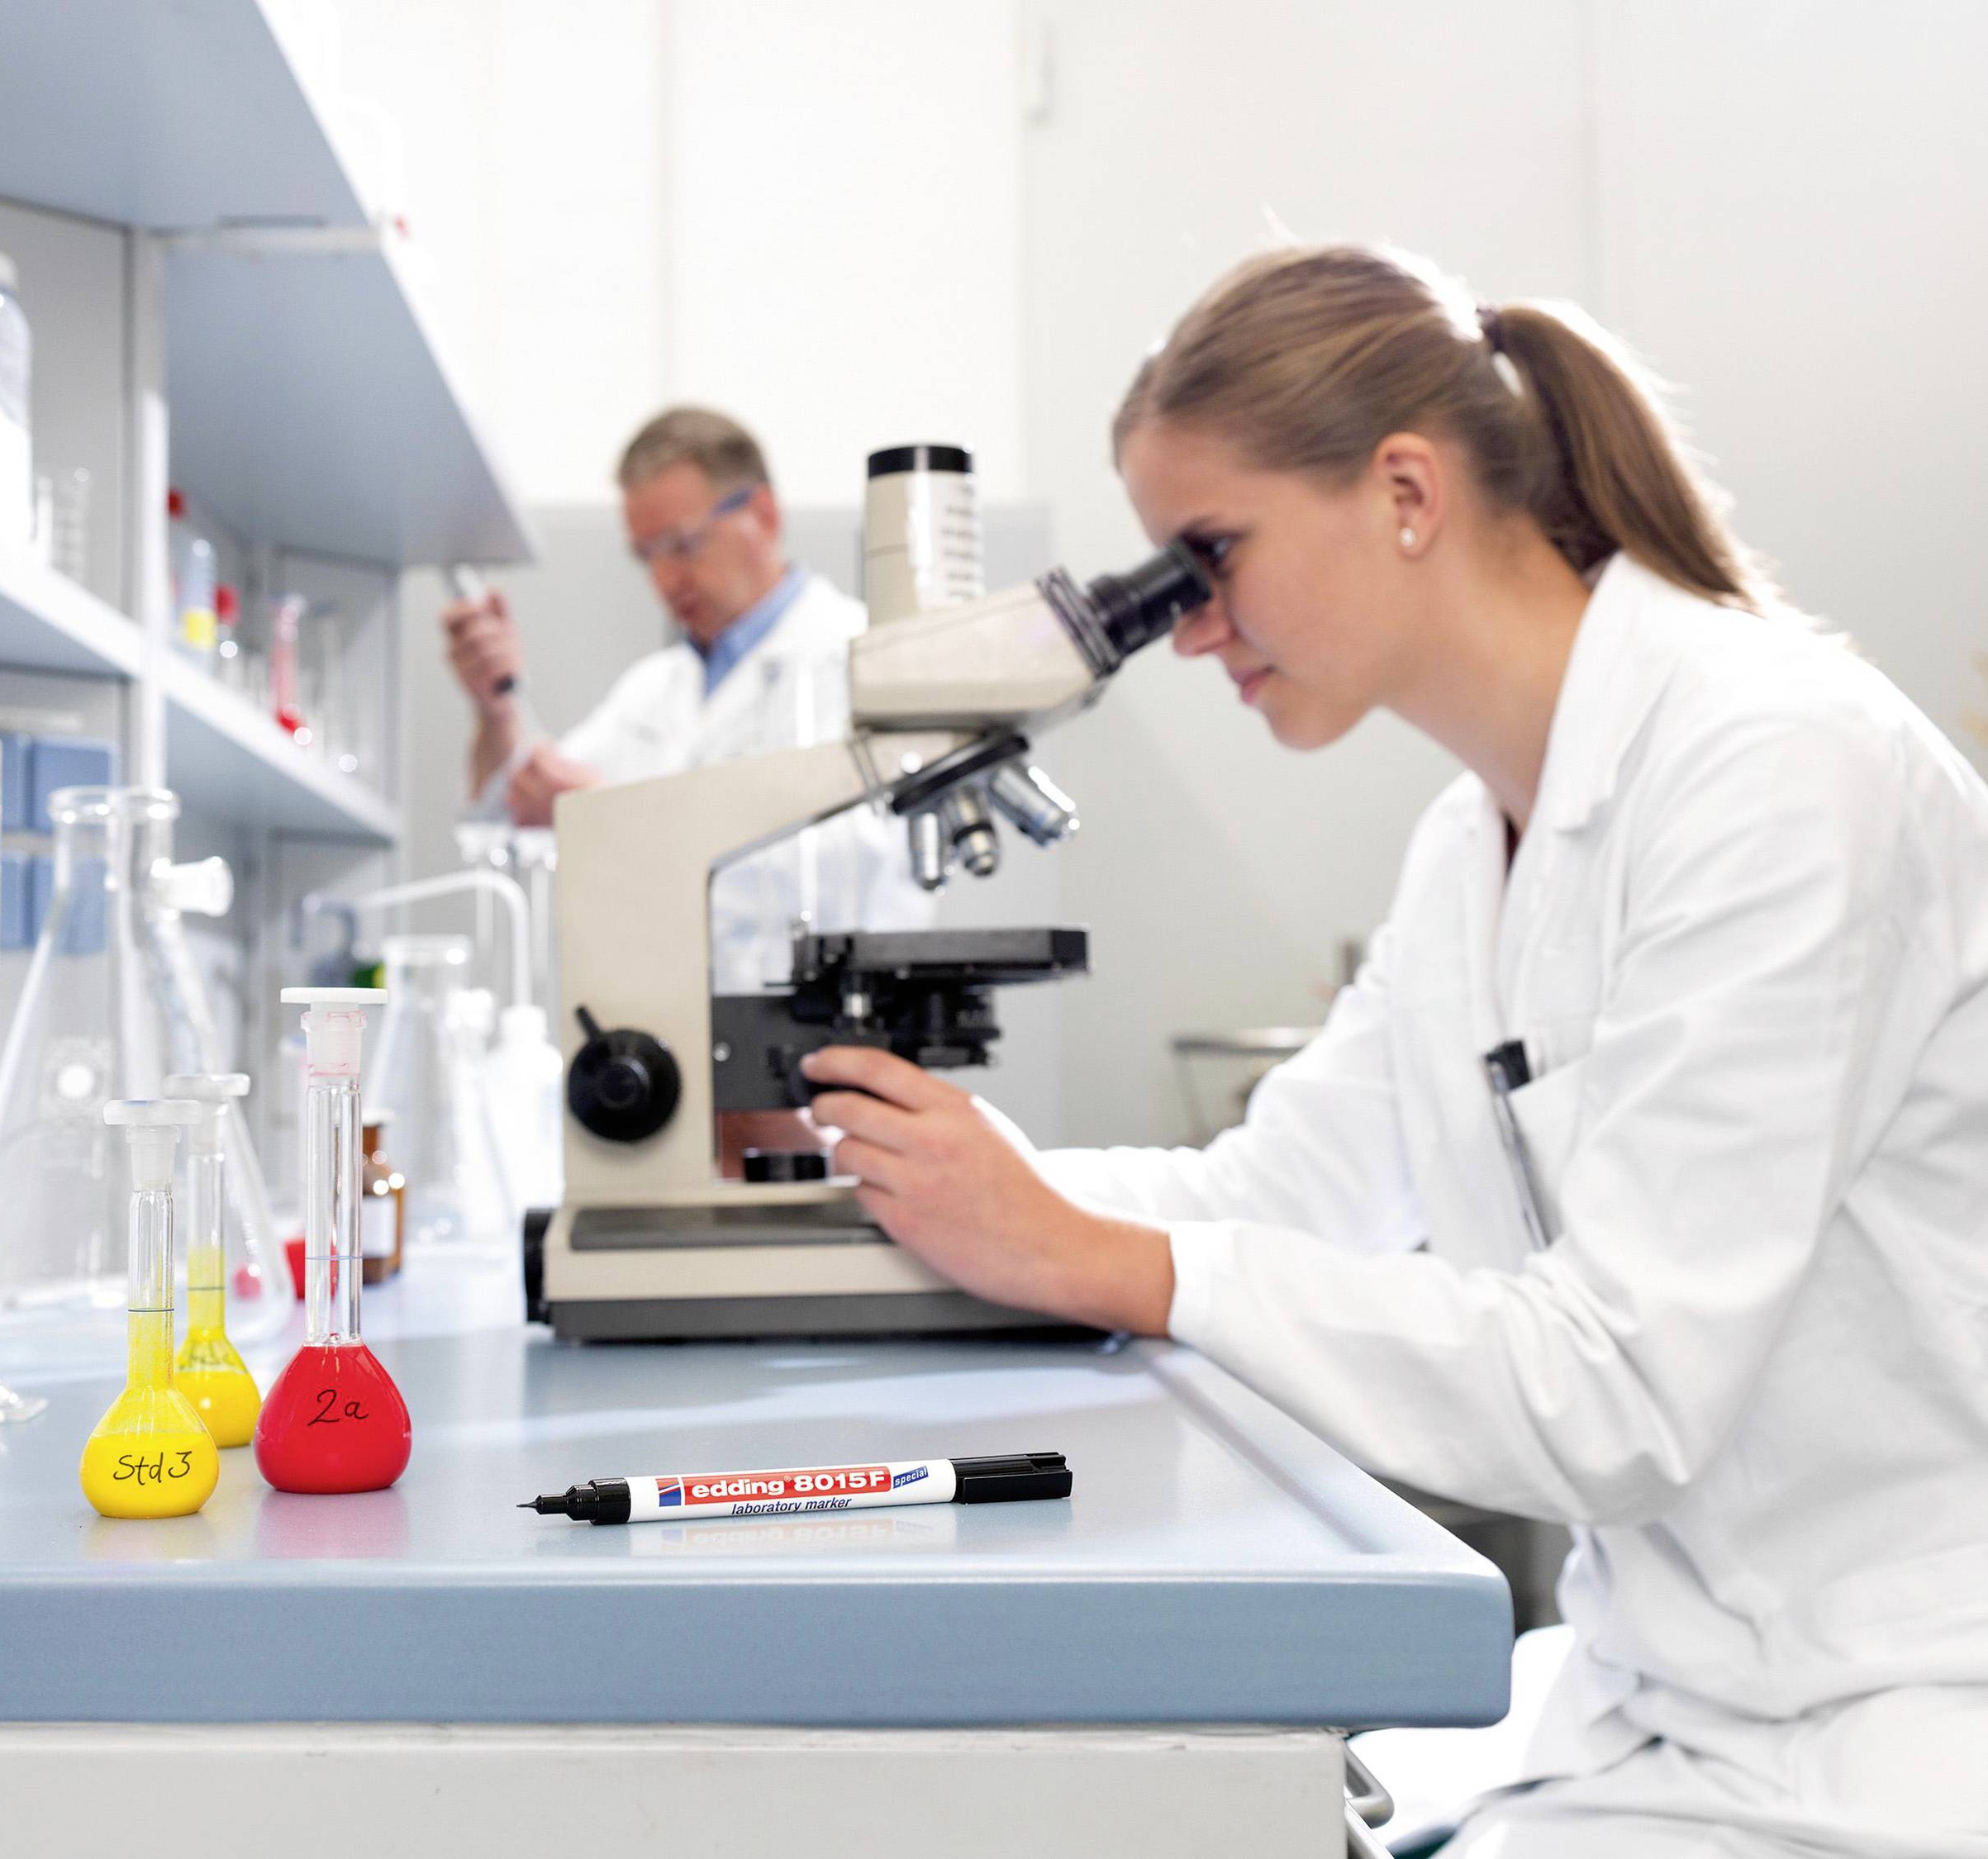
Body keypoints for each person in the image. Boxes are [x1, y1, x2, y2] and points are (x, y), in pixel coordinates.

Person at [802, 245, 1988, 1858]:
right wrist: (932, 1199)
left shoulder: (1779, 770)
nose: (1191, 632)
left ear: (1407, 491)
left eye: (1207, 559)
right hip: (1665, 1696)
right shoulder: (1469, 842)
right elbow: (1280, 1192)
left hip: (1891, 1723)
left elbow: (1618, 1388)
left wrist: (1099, 1258)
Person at [443, 407, 928, 995]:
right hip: (675, 1035)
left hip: (835, 1034)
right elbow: (515, 819)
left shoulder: (862, 654)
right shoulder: (654, 691)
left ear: (763, 515)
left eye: (683, 544)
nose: (666, 580)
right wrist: (495, 714)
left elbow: (847, 868)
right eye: (647, 556)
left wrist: (614, 816)